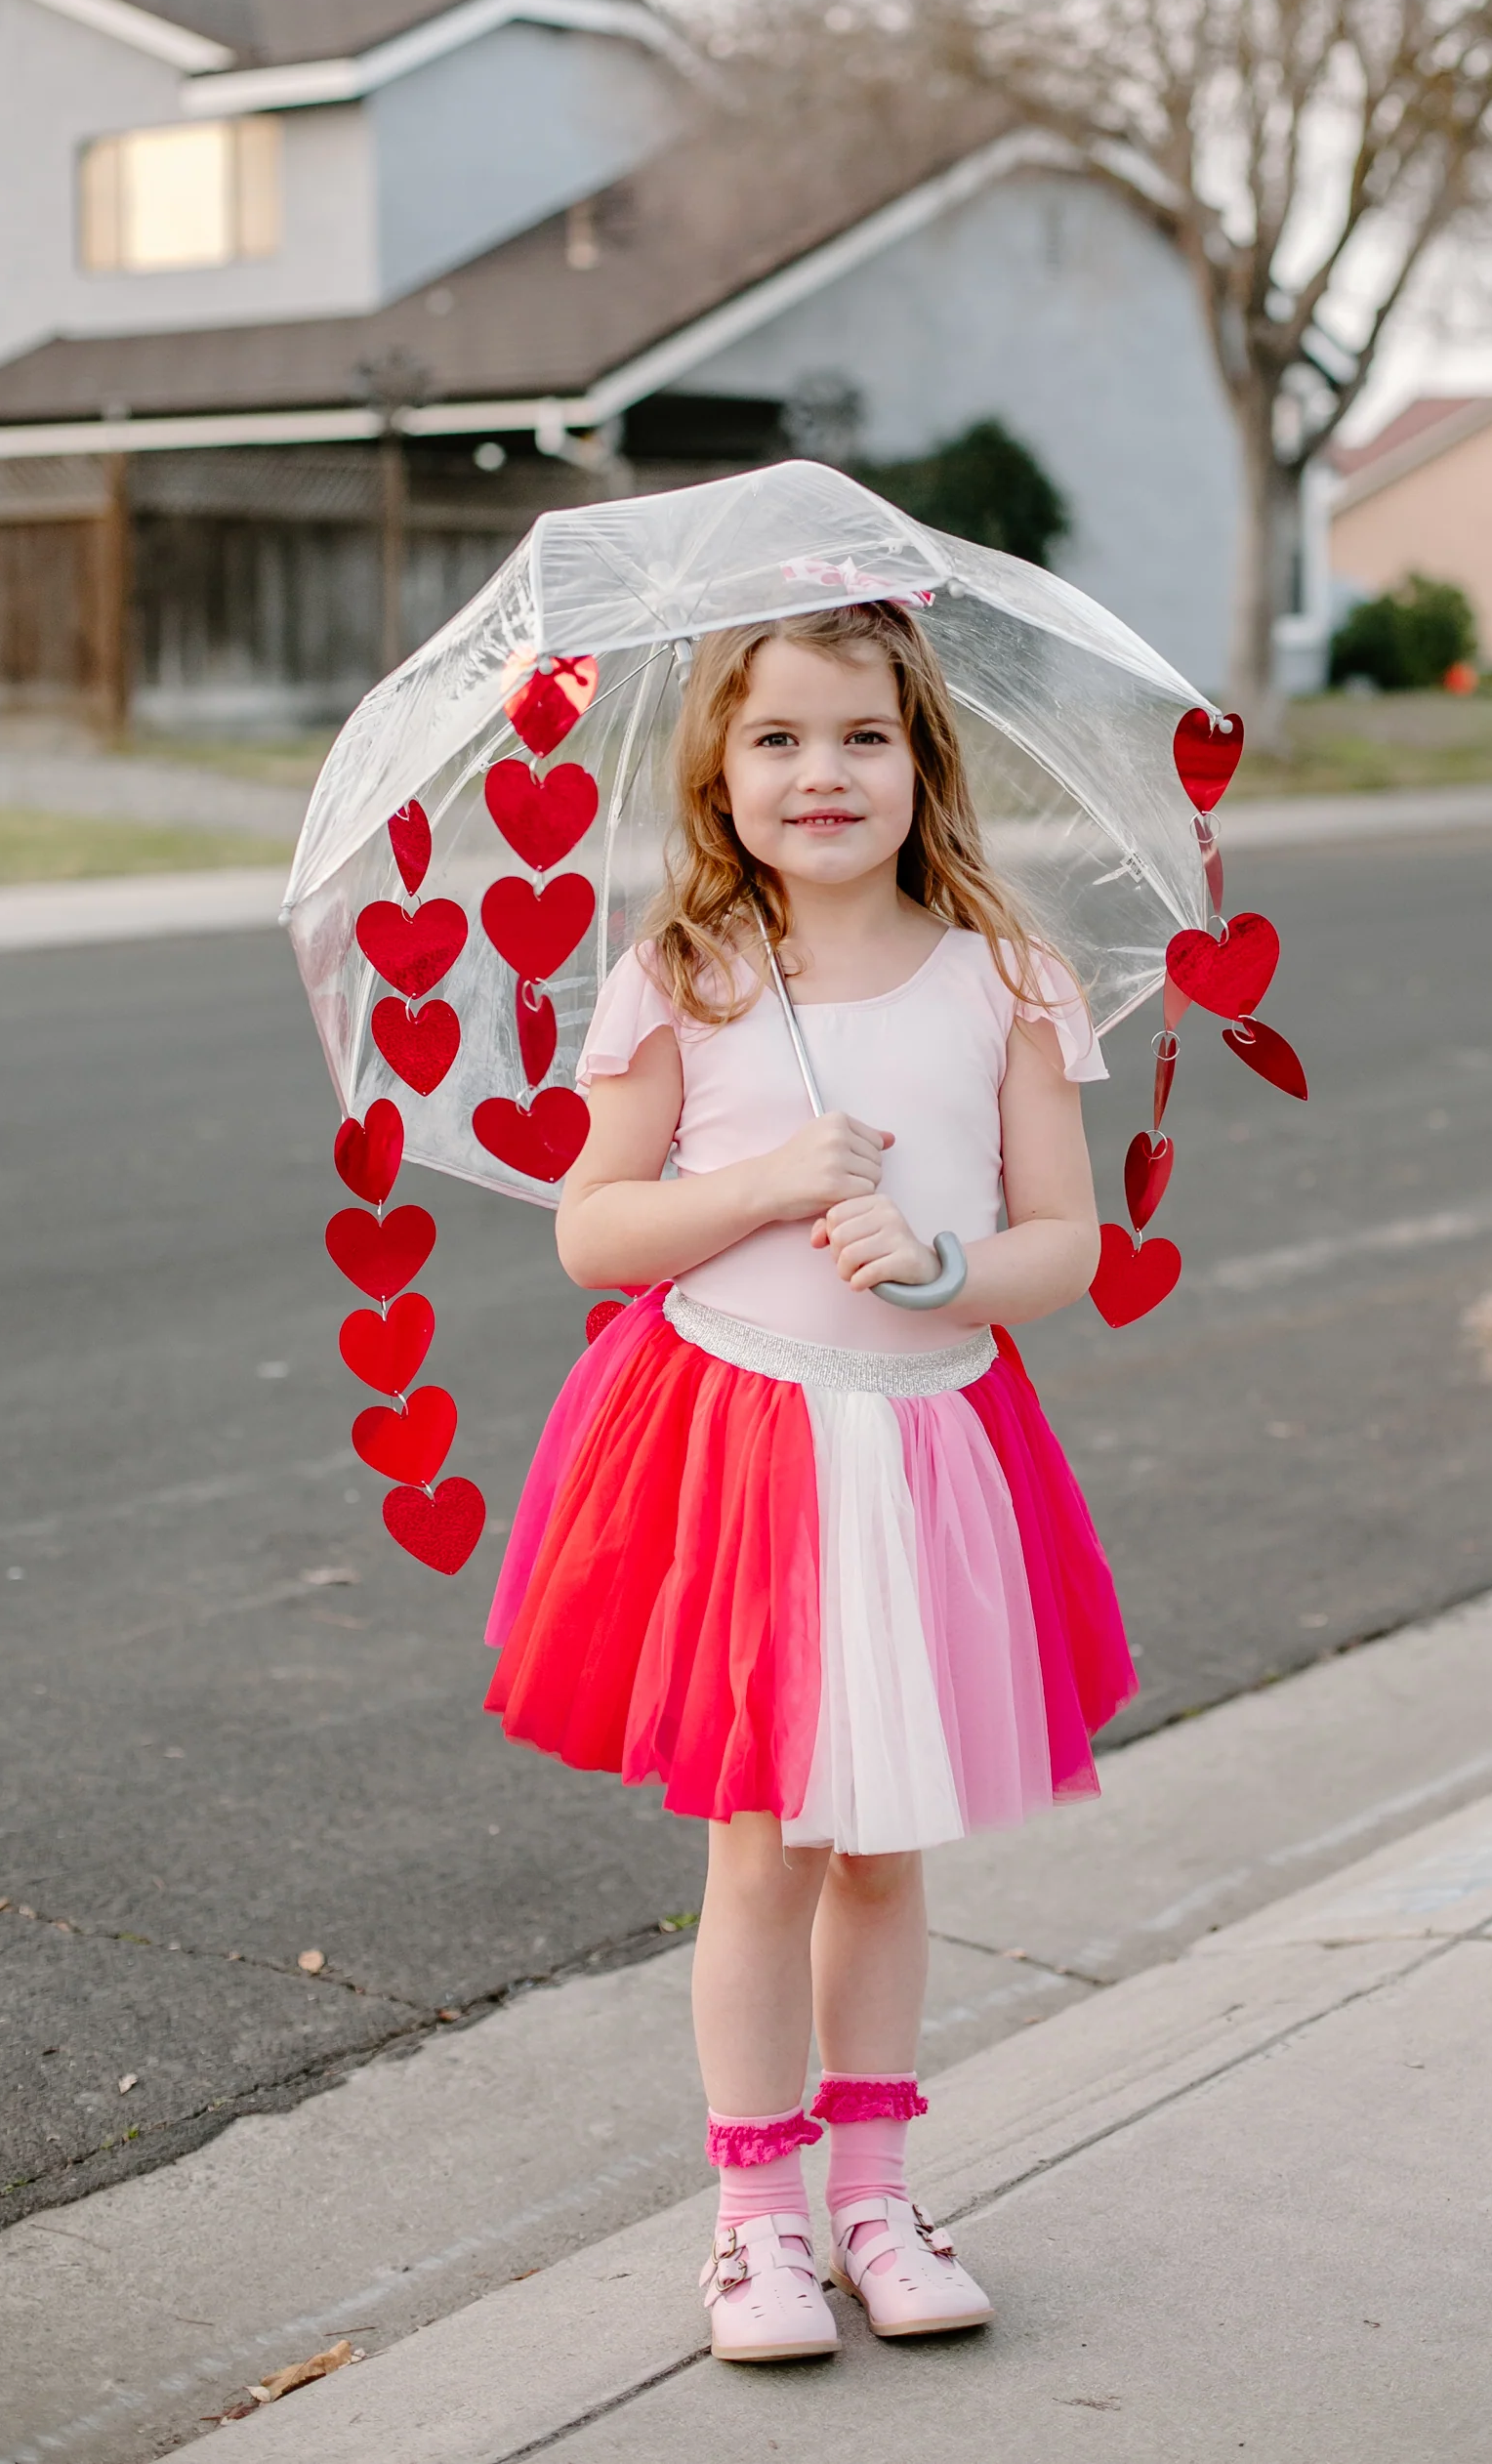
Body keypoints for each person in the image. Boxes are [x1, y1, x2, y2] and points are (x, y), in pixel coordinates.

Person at [483, 600, 1137, 2360]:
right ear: (720, 769)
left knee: (881, 1848)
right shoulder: (679, 976)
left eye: (862, 735)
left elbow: (1064, 1241)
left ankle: (876, 2194)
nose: (820, 773)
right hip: (740, 1446)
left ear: (924, 761)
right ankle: (756, 2220)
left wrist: (944, 1268)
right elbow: (593, 1231)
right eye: (776, 739)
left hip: (923, 1439)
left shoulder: (1005, 977)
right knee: (763, 1842)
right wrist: (764, 1182)